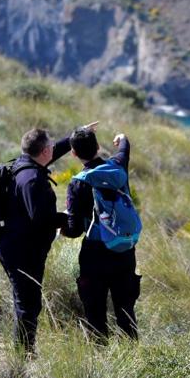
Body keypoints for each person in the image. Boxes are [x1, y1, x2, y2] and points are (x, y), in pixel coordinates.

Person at [0, 123, 96, 354]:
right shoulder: (32, 179)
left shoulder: (25, 164)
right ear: (44, 152)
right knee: (28, 304)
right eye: (50, 145)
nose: (53, 148)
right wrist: (68, 218)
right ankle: (23, 354)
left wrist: (74, 136)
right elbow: (39, 218)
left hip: (14, 245)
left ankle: (24, 349)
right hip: (21, 252)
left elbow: (50, 152)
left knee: (27, 301)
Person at [61, 128, 141, 340]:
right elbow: (124, 149)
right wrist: (122, 137)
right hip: (124, 249)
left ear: (74, 154)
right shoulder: (117, 167)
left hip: (94, 254)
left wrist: (62, 227)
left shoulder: (78, 182)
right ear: (98, 147)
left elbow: (75, 229)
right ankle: (135, 358)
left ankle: (101, 360)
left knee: (95, 313)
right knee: (125, 311)